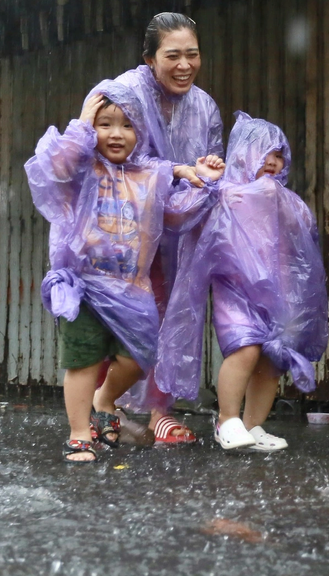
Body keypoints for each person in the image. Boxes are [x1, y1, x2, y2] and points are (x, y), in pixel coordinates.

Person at [24, 80, 222, 463]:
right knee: (82, 361)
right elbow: (54, 167)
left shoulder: (152, 174)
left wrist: (204, 183)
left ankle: (105, 399)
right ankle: (80, 433)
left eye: (128, 125)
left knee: (140, 357)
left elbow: (177, 212)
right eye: (105, 124)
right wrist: (81, 125)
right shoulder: (82, 167)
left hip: (132, 288)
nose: (116, 134)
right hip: (82, 284)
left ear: (142, 131)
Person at [156, 113, 329, 451]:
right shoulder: (224, 192)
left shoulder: (288, 201)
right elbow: (178, 213)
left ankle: (254, 425)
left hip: (279, 294)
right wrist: (205, 181)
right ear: (243, 153)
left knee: (273, 360)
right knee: (245, 348)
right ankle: (228, 420)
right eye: (266, 152)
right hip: (234, 289)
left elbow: (303, 250)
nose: (274, 162)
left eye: (280, 155)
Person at [113, 12, 224, 445]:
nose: (184, 65)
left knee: (173, 315)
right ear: (149, 59)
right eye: (172, 56)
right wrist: (175, 170)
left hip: (179, 230)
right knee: (127, 317)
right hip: (123, 229)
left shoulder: (205, 106)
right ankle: (112, 407)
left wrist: (210, 170)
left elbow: (212, 163)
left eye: (192, 55)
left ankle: (155, 410)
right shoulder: (125, 94)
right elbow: (109, 157)